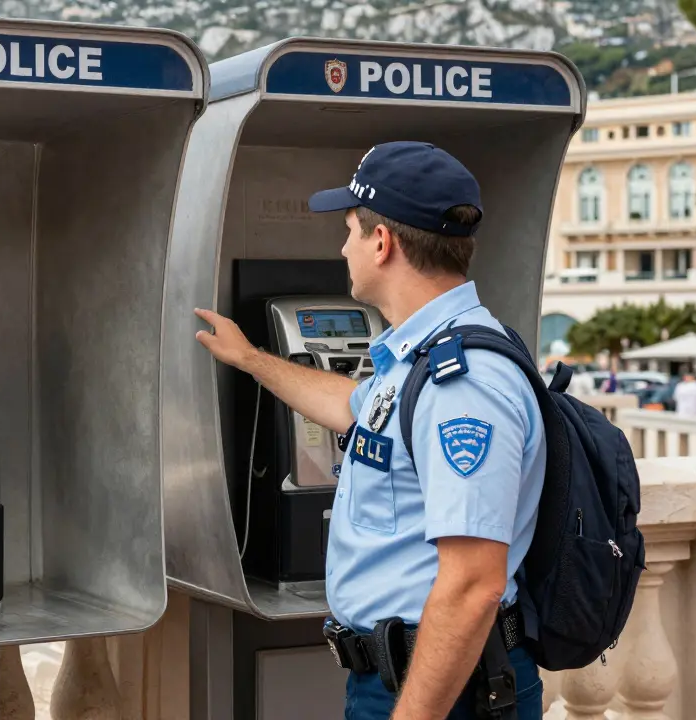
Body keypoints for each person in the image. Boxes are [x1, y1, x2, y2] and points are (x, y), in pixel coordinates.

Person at [194, 141, 546, 719]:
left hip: (443, 689)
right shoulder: (418, 361)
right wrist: (252, 358)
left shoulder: (462, 383)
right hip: (408, 676)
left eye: (351, 230)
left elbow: (472, 583)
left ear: (382, 244)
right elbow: (358, 410)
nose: (342, 247)